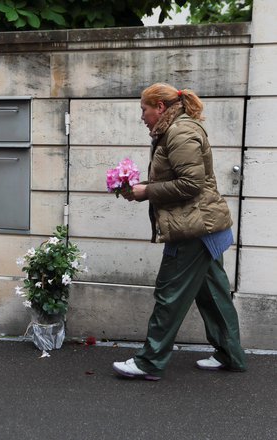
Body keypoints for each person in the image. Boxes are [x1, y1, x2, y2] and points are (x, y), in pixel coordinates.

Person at [112, 83, 247, 380]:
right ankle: (230, 354)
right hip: (204, 226)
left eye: (143, 110)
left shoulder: (180, 131)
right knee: (213, 294)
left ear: (160, 107)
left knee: (169, 293)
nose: (142, 116)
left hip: (194, 229)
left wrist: (147, 191)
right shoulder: (174, 128)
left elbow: (191, 184)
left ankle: (149, 362)